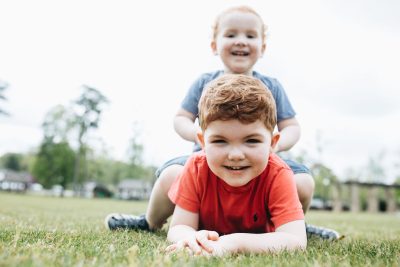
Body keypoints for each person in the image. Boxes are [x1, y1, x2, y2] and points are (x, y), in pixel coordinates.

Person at [105, 5, 339, 240]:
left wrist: (274, 146)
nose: (240, 41)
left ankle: (292, 222)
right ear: (214, 45)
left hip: (263, 158)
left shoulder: (272, 86)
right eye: (231, 34)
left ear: (263, 47)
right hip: (206, 157)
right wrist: (200, 134)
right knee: (170, 175)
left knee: (303, 181)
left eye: (250, 35)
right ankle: (150, 222)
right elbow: (181, 119)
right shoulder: (204, 82)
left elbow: (292, 126)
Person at [168, 74, 306, 255]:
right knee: (167, 176)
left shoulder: (278, 173)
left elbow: (295, 241)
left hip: (256, 236)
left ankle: (299, 220)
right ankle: (148, 220)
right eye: (220, 141)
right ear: (203, 142)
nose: (235, 155)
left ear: (272, 143)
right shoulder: (196, 167)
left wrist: (234, 243)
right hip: (207, 230)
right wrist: (192, 237)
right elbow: (179, 226)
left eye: (251, 140)